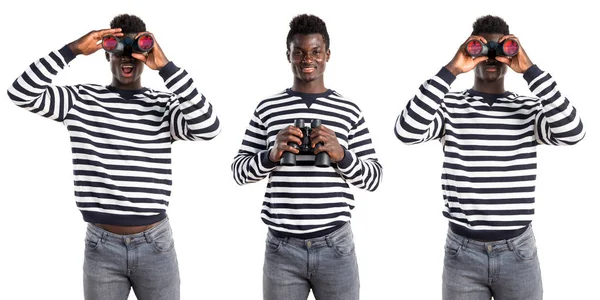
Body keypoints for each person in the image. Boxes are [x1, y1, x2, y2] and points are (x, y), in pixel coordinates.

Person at [7, 13, 221, 300]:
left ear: (147, 53)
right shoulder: (80, 101)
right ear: (106, 53)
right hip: (101, 246)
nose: (127, 59)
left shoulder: (165, 106)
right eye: (118, 50)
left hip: (155, 243)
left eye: (136, 50)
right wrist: (72, 50)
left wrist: (167, 68)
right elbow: (20, 92)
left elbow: (209, 127)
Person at [394, 15, 585, 300]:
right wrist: (451, 70)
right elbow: (406, 131)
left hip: (518, 252)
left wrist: (530, 70)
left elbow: (573, 132)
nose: (492, 57)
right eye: (483, 49)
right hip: (462, 251)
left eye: (501, 50)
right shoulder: (451, 107)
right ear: (470, 51)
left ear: (513, 52)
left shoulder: (530, 110)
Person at [231, 14, 382, 300]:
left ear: (327, 55)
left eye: (315, 52)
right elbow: (238, 171)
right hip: (282, 246)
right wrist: (272, 155)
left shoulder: (349, 109)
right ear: (288, 55)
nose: (306, 59)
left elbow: (374, 177)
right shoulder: (268, 108)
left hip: (335, 243)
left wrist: (342, 156)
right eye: (298, 52)